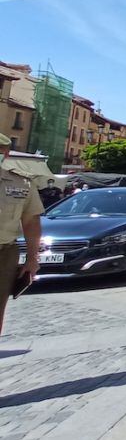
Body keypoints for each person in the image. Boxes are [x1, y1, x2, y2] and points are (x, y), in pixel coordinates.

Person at [0, 133, 43, 334]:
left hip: (4, 253)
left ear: (6, 153)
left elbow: (31, 222)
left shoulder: (21, 184)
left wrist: (33, 258)